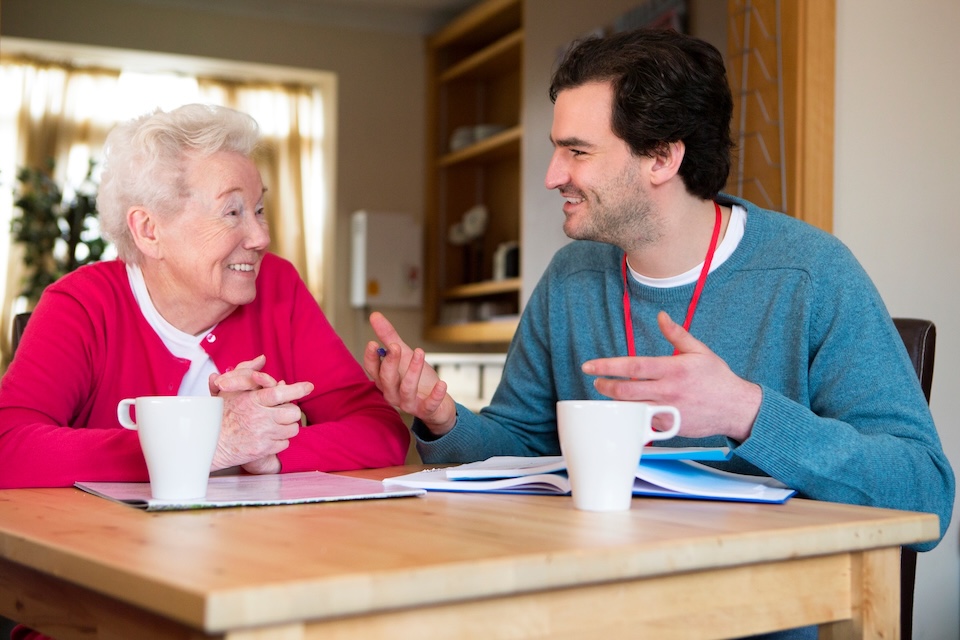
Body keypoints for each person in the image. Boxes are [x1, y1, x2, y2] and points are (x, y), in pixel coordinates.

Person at [365, 26, 953, 560]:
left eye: (577, 151)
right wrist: (443, 420)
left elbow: (926, 493)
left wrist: (745, 411)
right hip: (595, 596)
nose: (551, 175)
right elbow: (522, 451)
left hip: (761, 612)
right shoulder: (571, 279)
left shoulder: (811, 274)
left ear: (663, 157)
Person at [0, 103, 411, 488]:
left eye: (259, 209)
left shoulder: (278, 287)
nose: (261, 237)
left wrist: (267, 454)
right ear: (148, 230)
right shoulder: (83, 305)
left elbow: (380, 430)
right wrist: (198, 444)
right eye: (232, 212)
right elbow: (8, 445)